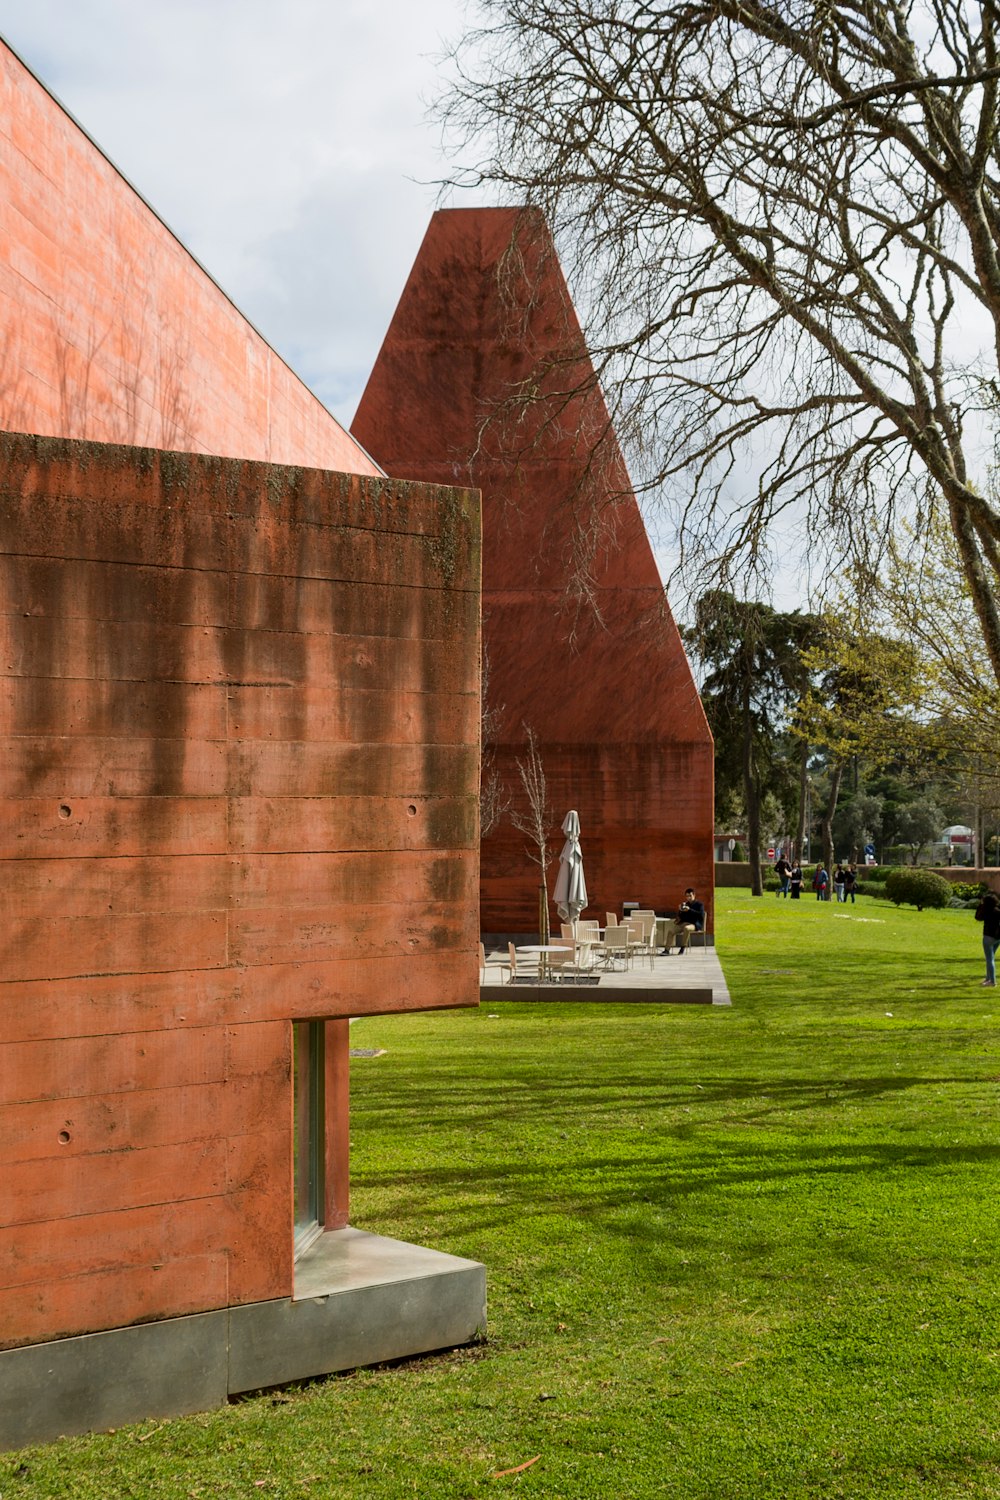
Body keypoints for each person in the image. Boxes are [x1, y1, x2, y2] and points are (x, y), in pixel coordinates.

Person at [974, 891, 1000, 987]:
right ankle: (988, 978)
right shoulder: (997, 911)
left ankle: (992, 981)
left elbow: (977, 917)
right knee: (990, 958)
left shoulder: (986, 911)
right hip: (997, 938)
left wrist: (980, 905)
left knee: (989, 959)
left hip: (988, 937)